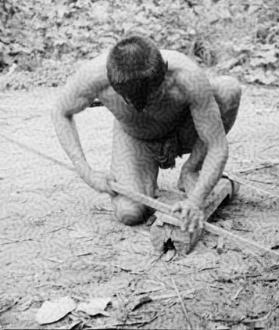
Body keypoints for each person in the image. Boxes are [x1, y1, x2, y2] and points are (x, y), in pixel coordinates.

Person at [52, 35, 241, 232]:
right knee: (129, 212)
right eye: (134, 103)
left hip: (185, 132)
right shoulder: (94, 76)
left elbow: (217, 145)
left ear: (165, 71)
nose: (146, 107)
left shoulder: (186, 75)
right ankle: (145, 180)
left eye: (154, 98)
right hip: (138, 139)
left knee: (228, 89)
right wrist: (87, 173)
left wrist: (195, 201)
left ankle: (190, 170)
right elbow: (60, 112)